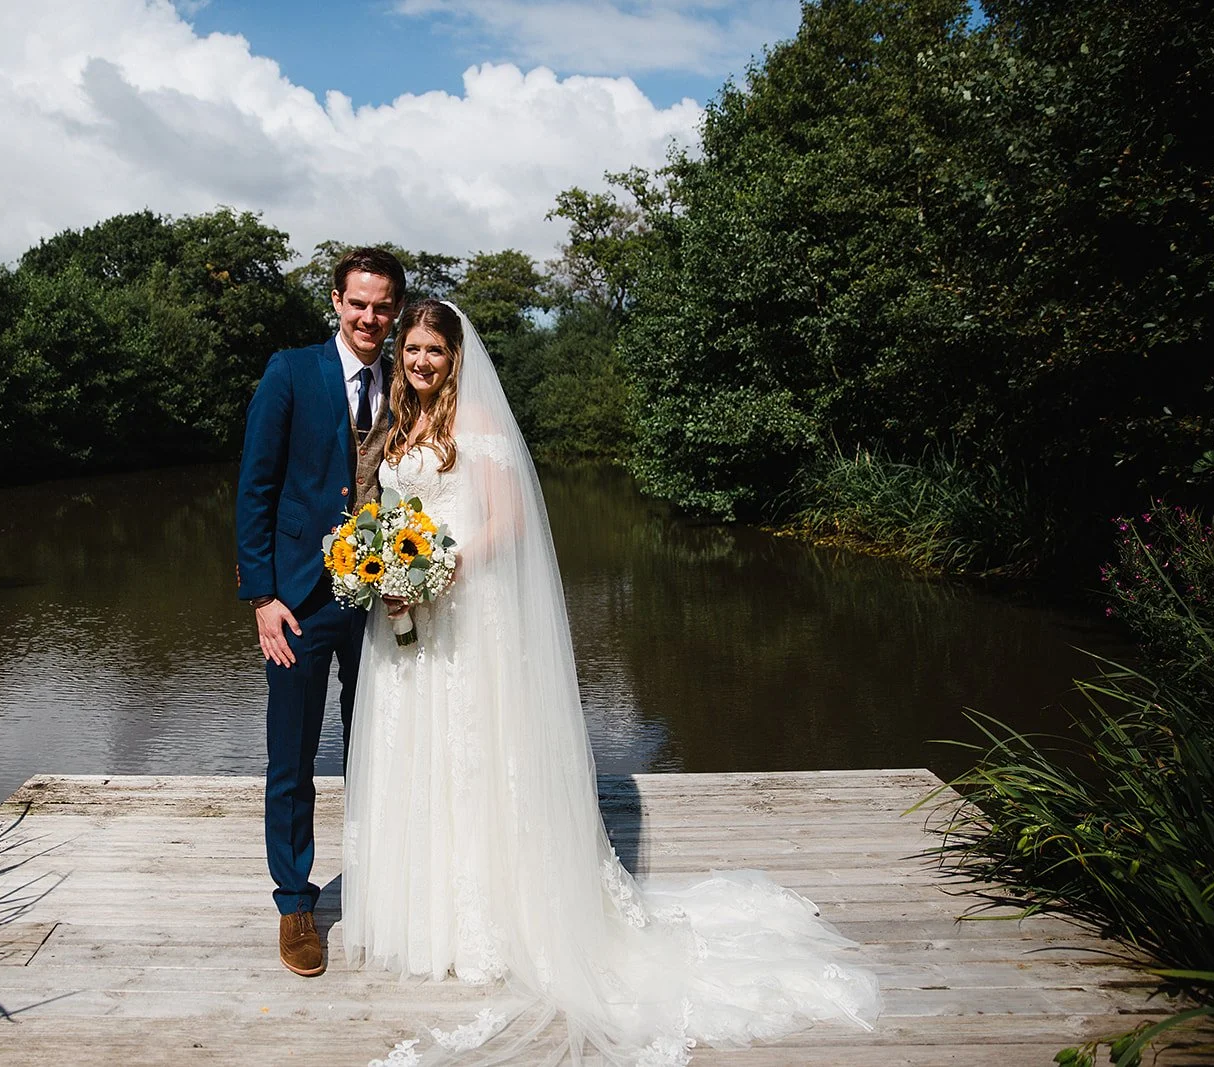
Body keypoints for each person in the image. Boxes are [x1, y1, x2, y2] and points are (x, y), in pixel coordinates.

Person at [342, 300, 881, 1065]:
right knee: (420, 758)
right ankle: (426, 917)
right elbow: (387, 513)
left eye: (434, 350)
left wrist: (444, 565)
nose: (421, 362)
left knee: (478, 757)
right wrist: (389, 572)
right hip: (408, 619)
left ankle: (494, 919)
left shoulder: (480, 431)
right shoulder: (394, 430)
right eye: (412, 350)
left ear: (455, 357)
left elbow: (510, 523)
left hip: (467, 613)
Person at [235, 247, 405, 977]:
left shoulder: (412, 376)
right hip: (299, 600)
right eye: (358, 302)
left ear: (395, 309)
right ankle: (296, 903)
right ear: (336, 301)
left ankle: (384, 884)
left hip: (381, 597)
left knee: (382, 748)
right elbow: (255, 488)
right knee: (292, 758)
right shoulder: (291, 371)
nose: (371, 317)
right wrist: (262, 595)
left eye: (383, 305)